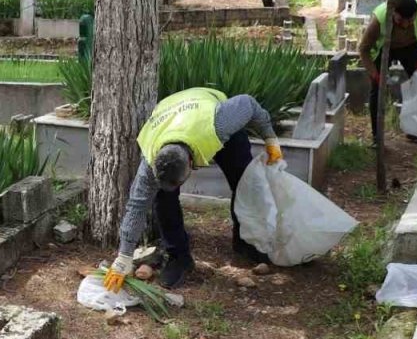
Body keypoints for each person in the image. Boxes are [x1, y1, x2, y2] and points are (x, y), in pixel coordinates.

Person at [104, 88, 283, 293]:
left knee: (245, 182)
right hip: (170, 119)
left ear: (191, 163)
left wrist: (270, 138)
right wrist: (124, 256)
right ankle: (179, 258)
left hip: (206, 117)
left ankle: (246, 240)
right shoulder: (150, 155)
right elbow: (136, 205)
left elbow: (248, 103)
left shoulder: (219, 124)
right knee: (163, 198)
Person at [357, 0, 417, 139]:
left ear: (416, 14)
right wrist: (374, 73)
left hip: (411, 46)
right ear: (393, 13)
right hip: (385, 48)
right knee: (377, 91)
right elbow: (363, 49)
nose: (406, 25)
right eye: (400, 21)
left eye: (410, 21)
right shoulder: (380, 18)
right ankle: (377, 137)